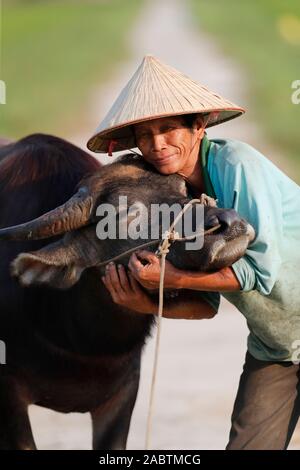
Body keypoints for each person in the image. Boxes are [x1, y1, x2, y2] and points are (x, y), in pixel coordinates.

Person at [87, 55, 300, 450]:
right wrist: (145, 302)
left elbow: (261, 274)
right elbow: (206, 304)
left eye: (168, 129)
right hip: (277, 346)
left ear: (199, 126)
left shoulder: (235, 164)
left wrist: (170, 278)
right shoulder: (178, 201)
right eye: (144, 135)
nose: (157, 145)